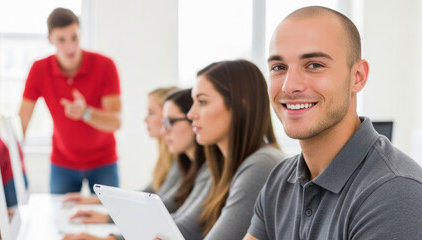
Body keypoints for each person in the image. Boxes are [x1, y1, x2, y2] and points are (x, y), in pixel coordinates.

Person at [245, 6, 422, 240]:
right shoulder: (279, 180)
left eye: (314, 65)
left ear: (357, 77)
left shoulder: (395, 190)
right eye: (279, 67)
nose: (289, 86)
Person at [63, 89, 209, 240]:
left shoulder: (204, 168)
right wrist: (100, 205)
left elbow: (169, 211)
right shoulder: (183, 161)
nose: (163, 128)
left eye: (168, 121)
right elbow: (152, 197)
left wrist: (110, 232)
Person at [18, 8, 122, 194]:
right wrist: (12, 158)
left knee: (109, 217)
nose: (70, 46)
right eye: (61, 40)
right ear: (50, 39)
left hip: (104, 160)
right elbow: (22, 120)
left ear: (80, 33)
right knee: (58, 217)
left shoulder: (105, 65)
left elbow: (115, 121)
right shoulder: (39, 69)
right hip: (63, 162)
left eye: (74, 37)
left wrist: (86, 113)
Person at [181, 59, 284, 240]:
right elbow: (185, 228)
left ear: (240, 104)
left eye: (202, 102)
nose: (191, 114)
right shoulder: (222, 164)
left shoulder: (262, 164)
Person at [63, 87, 180, 208]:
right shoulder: (165, 158)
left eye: (151, 113)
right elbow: (149, 192)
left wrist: (107, 218)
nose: (145, 119)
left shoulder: (179, 159)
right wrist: (95, 200)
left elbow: (160, 203)